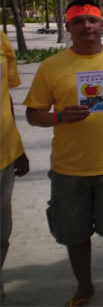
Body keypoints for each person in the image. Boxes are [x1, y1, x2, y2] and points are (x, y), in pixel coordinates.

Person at [24, 0, 103, 306]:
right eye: (79, 21)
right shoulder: (52, 67)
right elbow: (32, 114)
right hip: (69, 169)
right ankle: (84, 288)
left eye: (92, 21)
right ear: (68, 27)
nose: (87, 27)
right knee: (74, 233)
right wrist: (59, 117)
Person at [0, 32, 28, 302]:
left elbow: (5, 96)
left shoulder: (1, 40)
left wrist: (17, 146)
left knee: (1, 230)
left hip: (3, 155)